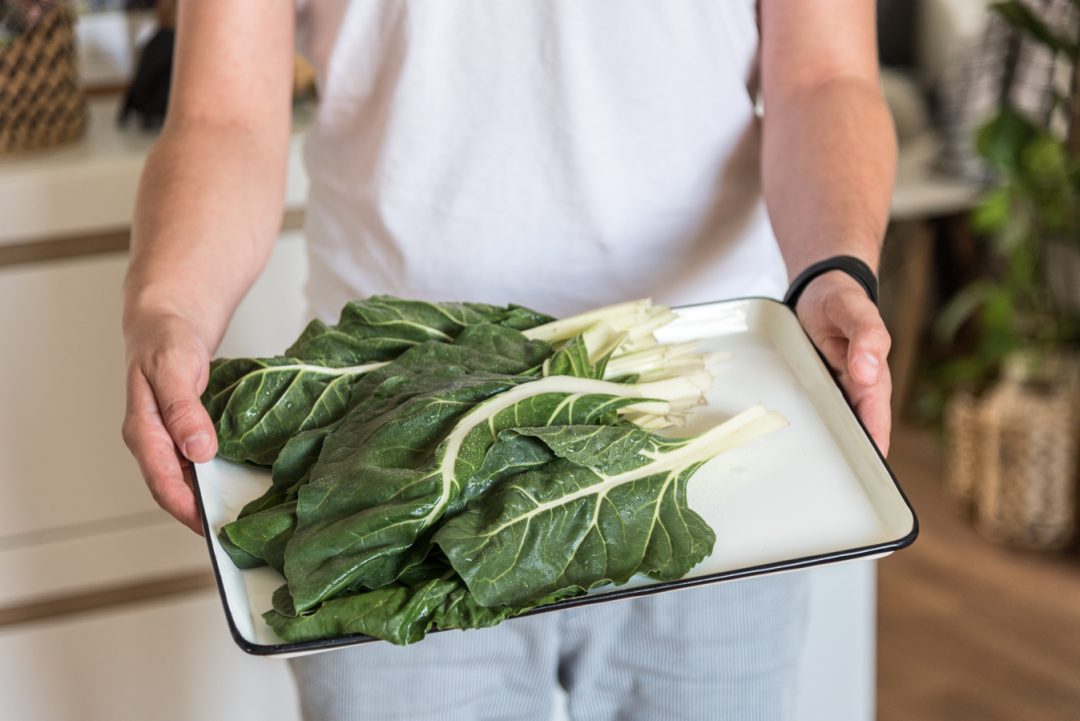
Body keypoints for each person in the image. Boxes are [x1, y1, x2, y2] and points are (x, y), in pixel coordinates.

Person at [122, 2, 896, 720]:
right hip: (389, 437)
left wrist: (835, 271)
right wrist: (170, 306)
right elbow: (222, 116)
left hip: (707, 429)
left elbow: (824, 77)